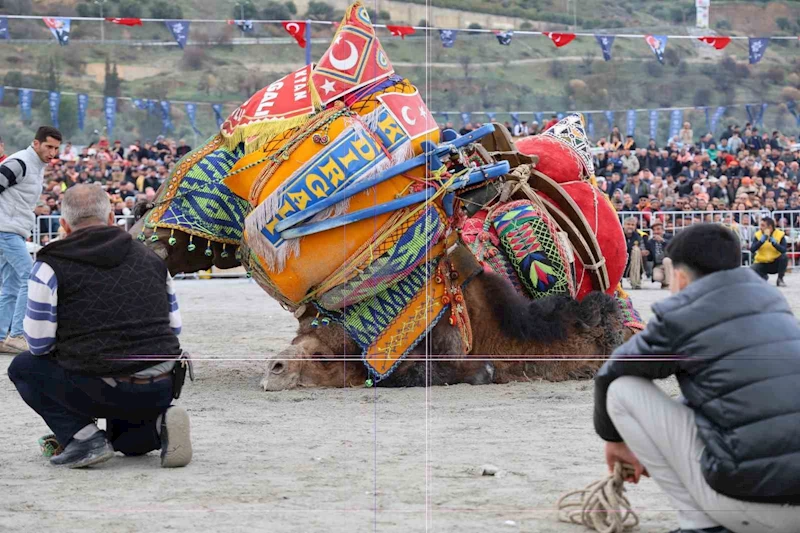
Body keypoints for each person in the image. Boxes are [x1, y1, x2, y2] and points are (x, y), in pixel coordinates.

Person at [594, 223, 800, 533]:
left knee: (623, 390)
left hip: (752, 510)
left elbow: (611, 374)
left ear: (679, 276)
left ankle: (699, 523)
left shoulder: (681, 313)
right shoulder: (772, 303)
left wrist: (614, 441)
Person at [7, 184, 193, 469]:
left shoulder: (50, 264)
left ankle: (84, 438)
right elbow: (174, 328)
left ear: (64, 225)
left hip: (98, 385)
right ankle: (159, 423)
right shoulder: (152, 259)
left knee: (23, 367)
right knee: (127, 445)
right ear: (110, 219)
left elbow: (38, 343)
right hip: (160, 384)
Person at [0, 126, 62, 354]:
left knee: (12, 284)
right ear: (36, 143)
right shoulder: (20, 162)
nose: (52, 152)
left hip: (11, 229)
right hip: (5, 230)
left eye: (56, 148)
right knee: (30, 277)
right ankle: (16, 335)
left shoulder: (36, 166)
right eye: (48, 146)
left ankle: (1, 337)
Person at [750, 217, 788, 287]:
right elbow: (752, 249)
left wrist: (775, 244)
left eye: (763, 225)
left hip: (775, 263)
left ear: (770, 227)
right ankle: (763, 277)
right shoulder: (758, 234)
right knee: (752, 269)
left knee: (784, 257)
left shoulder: (780, 234)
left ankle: (780, 279)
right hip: (762, 262)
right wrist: (760, 242)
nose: (760, 227)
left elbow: (784, 250)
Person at [645, 220, 672, 289]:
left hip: (670, 263)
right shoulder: (650, 242)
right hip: (658, 265)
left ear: (663, 230)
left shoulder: (669, 237)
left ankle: (669, 284)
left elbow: (673, 246)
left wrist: (663, 241)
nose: (656, 231)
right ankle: (665, 282)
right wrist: (646, 254)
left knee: (666, 260)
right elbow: (650, 258)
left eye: (658, 229)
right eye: (654, 230)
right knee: (657, 277)